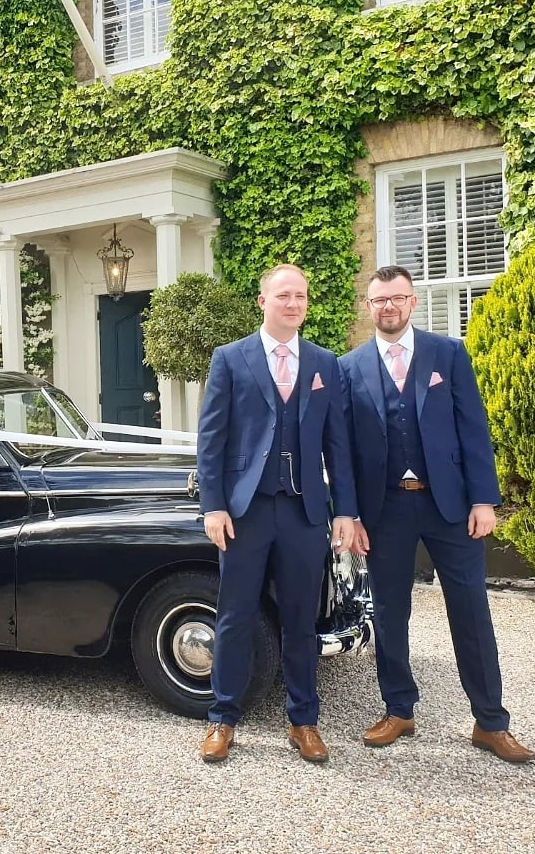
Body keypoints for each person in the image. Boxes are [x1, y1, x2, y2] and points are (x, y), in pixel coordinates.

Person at [340, 265, 534, 763]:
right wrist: (351, 514)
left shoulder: (448, 353)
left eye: (398, 298)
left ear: (413, 303)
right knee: (389, 611)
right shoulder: (349, 367)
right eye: (380, 299)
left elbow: (473, 428)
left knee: (470, 610)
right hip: (384, 511)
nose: (389, 307)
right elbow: (341, 449)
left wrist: (483, 500)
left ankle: (491, 722)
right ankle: (398, 709)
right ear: (369, 306)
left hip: (449, 507)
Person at [197, 264, 357, 764]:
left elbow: (338, 445)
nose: (294, 304)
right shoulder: (230, 359)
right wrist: (214, 506)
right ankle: (223, 719)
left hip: (304, 512)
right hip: (244, 514)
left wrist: (344, 512)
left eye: (301, 297)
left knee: (300, 620)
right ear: (263, 301)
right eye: (284, 295)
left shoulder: (325, 364)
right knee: (235, 616)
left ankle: (303, 721)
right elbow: (212, 441)